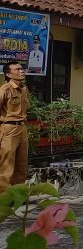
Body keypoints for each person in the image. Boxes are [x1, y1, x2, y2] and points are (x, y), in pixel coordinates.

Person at [0, 62, 30, 192]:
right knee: (6, 165)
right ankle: (4, 197)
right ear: (8, 74)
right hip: (9, 129)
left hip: (22, 128)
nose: (21, 71)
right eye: (17, 69)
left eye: (22, 68)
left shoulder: (23, 89)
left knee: (21, 165)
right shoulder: (5, 89)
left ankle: (18, 196)